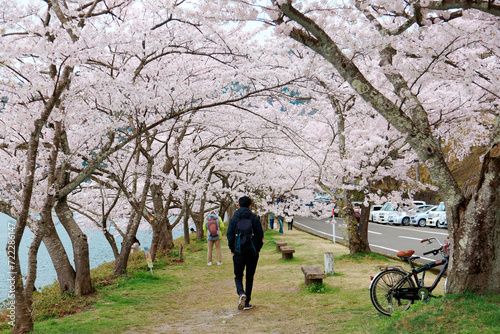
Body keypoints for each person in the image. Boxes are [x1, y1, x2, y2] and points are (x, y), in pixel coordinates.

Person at [227, 196, 264, 311]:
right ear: (250, 206)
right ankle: (247, 302)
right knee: (249, 277)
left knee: (238, 276)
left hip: (238, 252)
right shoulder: (254, 218)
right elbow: (259, 235)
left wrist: (232, 250)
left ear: (238, 205)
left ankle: (241, 293)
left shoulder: (234, 219)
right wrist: (258, 249)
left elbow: (230, 235)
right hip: (252, 252)